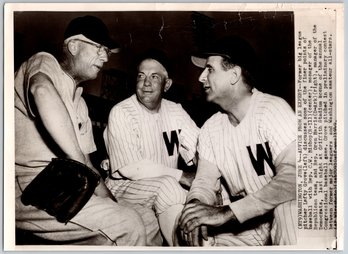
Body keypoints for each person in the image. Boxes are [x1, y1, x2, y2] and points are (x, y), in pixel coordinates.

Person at [15, 15, 162, 246]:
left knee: (146, 218)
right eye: (99, 48)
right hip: (27, 188)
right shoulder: (45, 63)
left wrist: (114, 204)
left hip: (62, 185)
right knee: (127, 225)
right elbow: (41, 90)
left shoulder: (80, 103)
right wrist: (78, 166)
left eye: (107, 51)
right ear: (73, 46)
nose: (105, 57)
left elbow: (88, 166)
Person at [178, 35, 297, 246]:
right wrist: (196, 208)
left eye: (210, 69)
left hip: (279, 219)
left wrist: (229, 212)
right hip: (245, 227)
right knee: (192, 232)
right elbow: (205, 182)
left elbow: (294, 177)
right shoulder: (211, 128)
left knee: (290, 211)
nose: (201, 77)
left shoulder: (272, 109)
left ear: (234, 75)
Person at [102, 48, 200, 245]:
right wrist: (183, 176)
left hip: (163, 186)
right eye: (141, 76)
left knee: (199, 193)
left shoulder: (175, 111)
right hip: (122, 186)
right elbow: (132, 168)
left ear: (167, 84)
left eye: (154, 77)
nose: (146, 83)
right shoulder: (122, 111)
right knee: (169, 187)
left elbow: (200, 148)